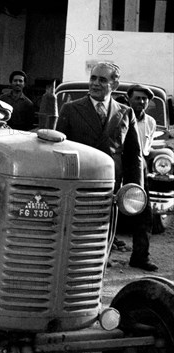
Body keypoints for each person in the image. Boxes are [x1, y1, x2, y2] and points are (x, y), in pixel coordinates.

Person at [56, 62, 143, 264]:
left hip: (109, 188)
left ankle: (98, 272)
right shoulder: (70, 109)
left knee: (103, 236)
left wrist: (133, 191)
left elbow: (133, 156)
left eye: (102, 79)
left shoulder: (125, 113)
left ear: (115, 84)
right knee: (74, 236)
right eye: (93, 78)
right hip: (78, 186)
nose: (95, 83)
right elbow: (59, 151)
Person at [122, 84, 158, 271]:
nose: (141, 102)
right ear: (129, 99)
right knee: (109, 211)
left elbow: (145, 149)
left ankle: (140, 256)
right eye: (137, 98)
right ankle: (103, 256)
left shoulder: (150, 122)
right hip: (119, 165)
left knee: (144, 214)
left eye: (145, 99)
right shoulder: (120, 116)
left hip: (139, 168)